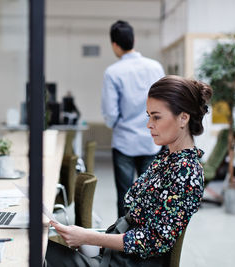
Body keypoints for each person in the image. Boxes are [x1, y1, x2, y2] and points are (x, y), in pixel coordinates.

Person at [46, 75, 213, 267]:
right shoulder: (167, 158)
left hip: (128, 263)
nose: (149, 124)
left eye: (156, 117)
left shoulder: (187, 172)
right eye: (148, 116)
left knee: (36, 252)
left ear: (183, 118)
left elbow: (153, 240)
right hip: (115, 256)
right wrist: (90, 239)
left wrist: (88, 237)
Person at [101, 20, 165, 218]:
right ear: (134, 40)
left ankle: (123, 243)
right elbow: (165, 103)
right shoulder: (156, 68)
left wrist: (119, 124)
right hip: (152, 140)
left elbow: (110, 113)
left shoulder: (113, 72)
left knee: (125, 196)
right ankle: (147, 241)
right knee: (151, 195)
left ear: (114, 45)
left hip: (124, 142)